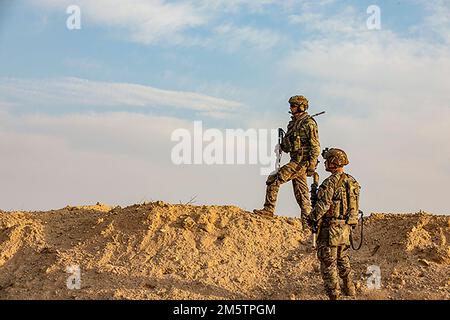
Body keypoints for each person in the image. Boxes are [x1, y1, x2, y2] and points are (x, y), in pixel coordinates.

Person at [253, 95, 320, 227]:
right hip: (296, 160)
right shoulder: (293, 123)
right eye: (291, 105)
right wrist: (282, 145)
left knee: (274, 179)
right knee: (302, 195)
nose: (291, 108)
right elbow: (290, 144)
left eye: (293, 105)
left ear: (301, 106)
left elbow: (315, 146)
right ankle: (307, 224)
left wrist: (311, 165)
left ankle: (268, 209)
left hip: (301, 162)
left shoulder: (308, 123)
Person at [309, 148, 360, 300]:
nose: (325, 162)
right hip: (345, 228)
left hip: (330, 228)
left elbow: (323, 205)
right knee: (342, 258)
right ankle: (350, 289)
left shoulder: (330, 182)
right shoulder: (353, 182)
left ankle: (334, 295)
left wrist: (312, 217)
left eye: (328, 160)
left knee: (328, 262)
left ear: (334, 162)